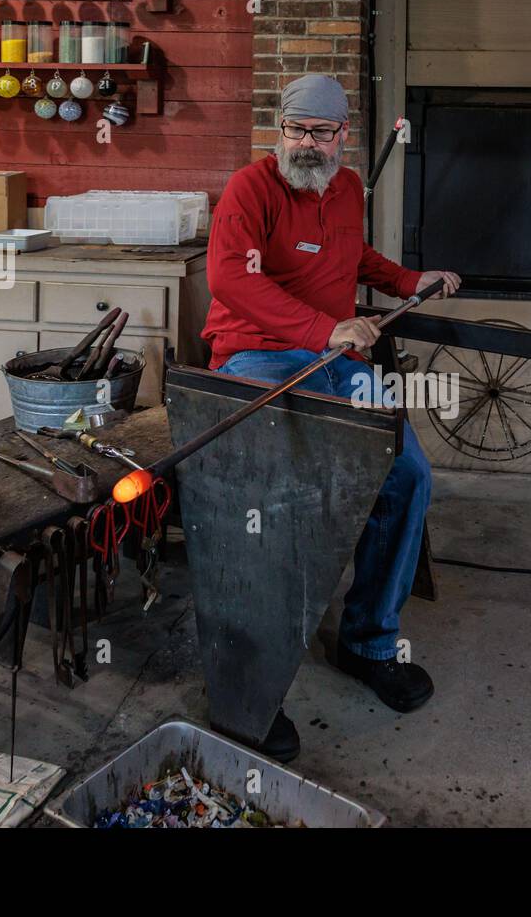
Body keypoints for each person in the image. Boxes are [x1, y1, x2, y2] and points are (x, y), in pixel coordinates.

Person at [201, 74, 461, 761]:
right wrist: (325, 331)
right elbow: (230, 280)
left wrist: (410, 281)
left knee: (406, 475)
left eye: (320, 132)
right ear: (278, 130)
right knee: (279, 499)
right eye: (294, 129)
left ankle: (367, 643)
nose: (305, 144)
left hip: (334, 355)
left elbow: (352, 259)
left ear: (343, 136)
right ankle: (255, 678)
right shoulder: (250, 190)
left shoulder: (345, 190)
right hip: (256, 360)